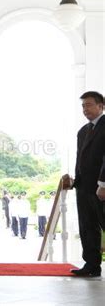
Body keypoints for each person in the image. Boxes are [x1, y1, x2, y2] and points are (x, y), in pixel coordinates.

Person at [64, 91, 104, 277]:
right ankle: (92, 265)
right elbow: (81, 159)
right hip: (84, 187)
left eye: (88, 105)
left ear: (101, 106)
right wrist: (75, 180)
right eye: (83, 106)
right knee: (87, 227)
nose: (85, 109)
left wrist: (103, 184)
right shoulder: (83, 130)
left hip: (101, 188)